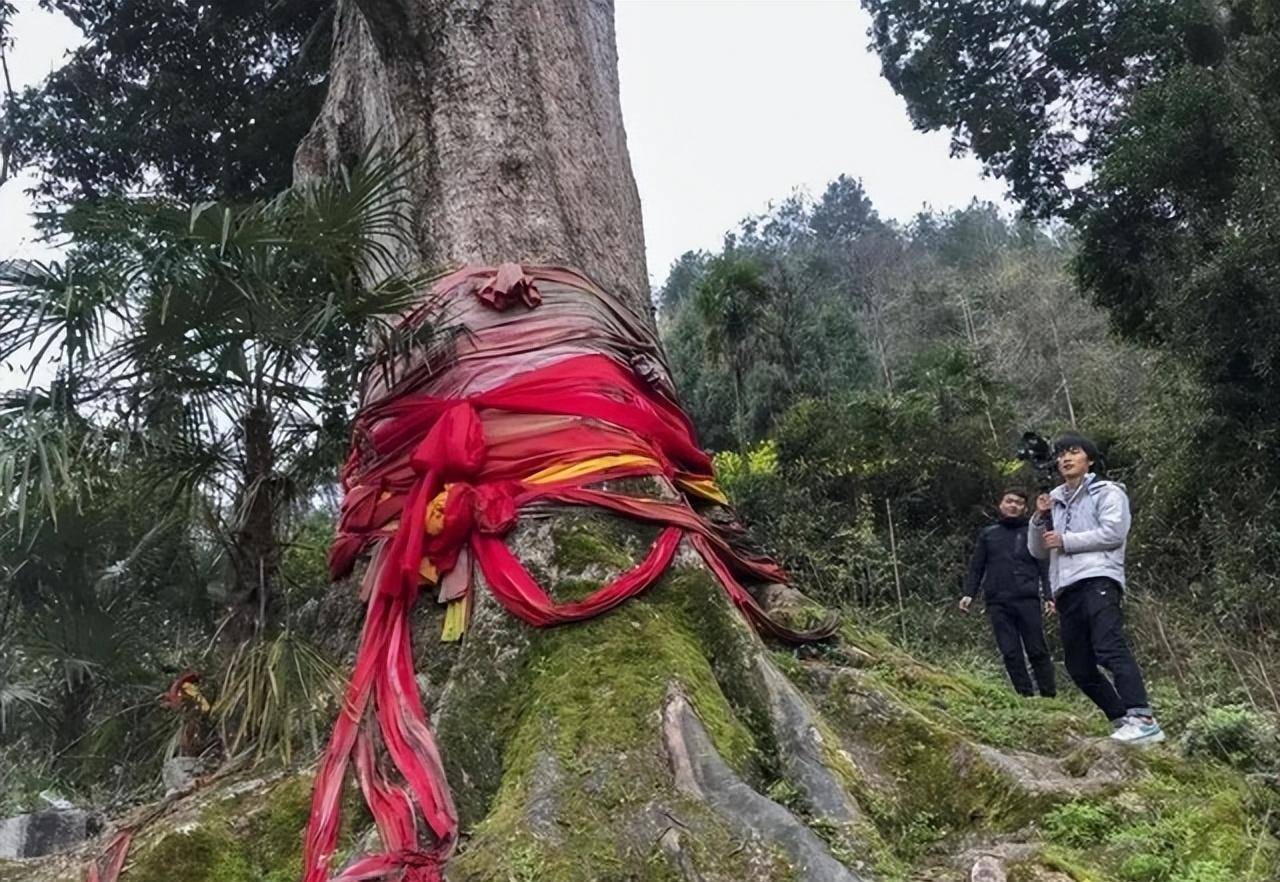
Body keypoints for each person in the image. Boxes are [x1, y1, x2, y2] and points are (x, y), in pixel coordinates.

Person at [1028, 433, 1165, 745]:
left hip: (1099, 578)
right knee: (1078, 665)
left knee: (1109, 646)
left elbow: (1114, 533)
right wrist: (1040, 518)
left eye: (1073, 452)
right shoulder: (1056, 498)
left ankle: (1142, 717)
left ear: (1088, 459)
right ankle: (1122, 721)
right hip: (1066, 586)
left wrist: (1067, 541)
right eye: (1061, 453)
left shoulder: (1108, 492)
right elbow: (1038, 550)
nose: (1065, 458)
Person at [960, 488, 1056, 698]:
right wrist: (969, 594)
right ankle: (1025, 695)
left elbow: (1044, 565)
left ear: (1025, 508)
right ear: (1000, 504)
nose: (1013, 506)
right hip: (997, 601)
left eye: (1019, 503)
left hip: (1027, 598)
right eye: (1009, 501)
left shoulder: (1032, 532)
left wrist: (1049, 596)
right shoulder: (989, 534)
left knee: (1037, 649)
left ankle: (1049, 696)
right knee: (1010, 651)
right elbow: (977, 566)